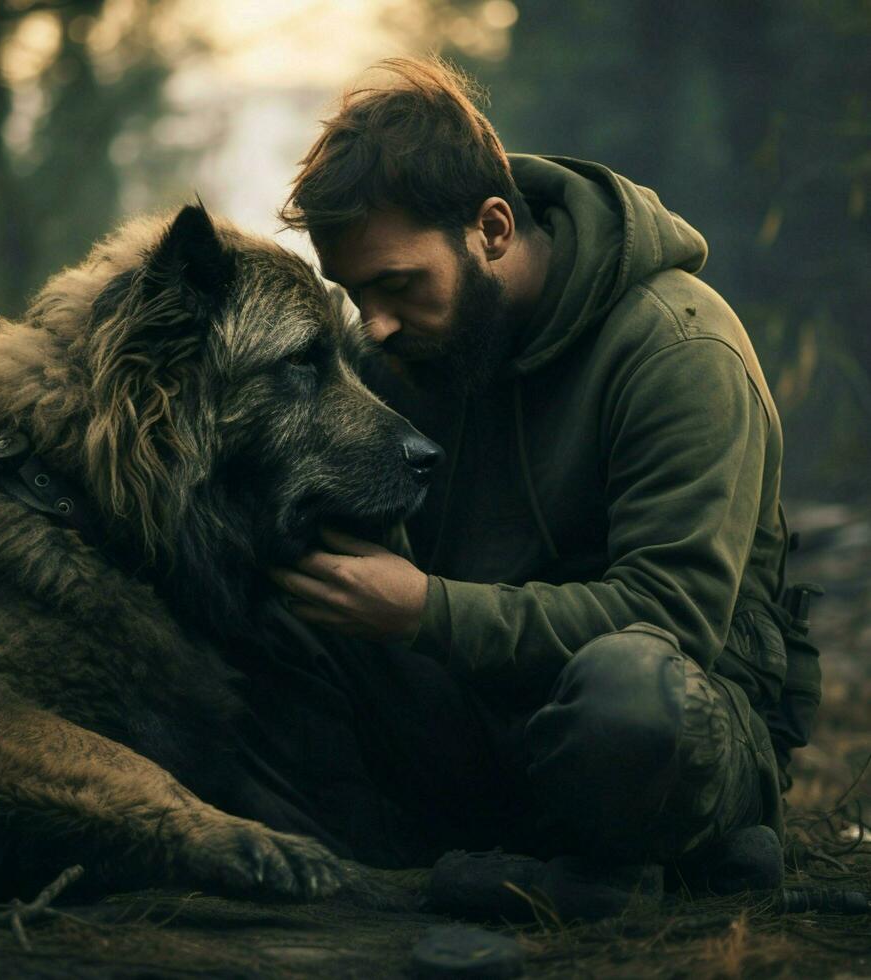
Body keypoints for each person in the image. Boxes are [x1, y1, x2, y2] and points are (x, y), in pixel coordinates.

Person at [258, 57, 821, 909]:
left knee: (630, 706)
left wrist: (424, 610)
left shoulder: (679, 351)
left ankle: (616, 851)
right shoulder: (408, 352)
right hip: (478, 708)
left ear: (491, 229)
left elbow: (669, 617)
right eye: (354, 291)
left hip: (669, 716)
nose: (372, 322)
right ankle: (622, 866)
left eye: (397, 284)